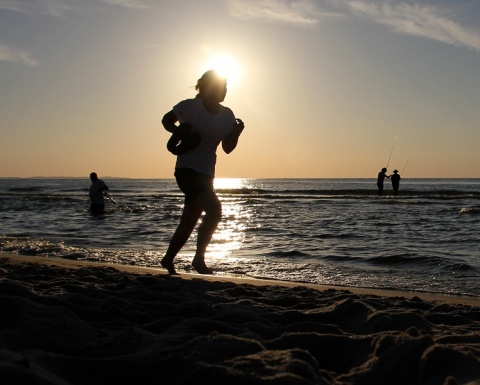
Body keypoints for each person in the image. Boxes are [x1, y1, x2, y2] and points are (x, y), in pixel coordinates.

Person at [160, 70, 245, 275]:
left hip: (207, 174)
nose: (224, 91)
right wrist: (182, 132)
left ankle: (168, 259)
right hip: (187, 171)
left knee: (189, 221)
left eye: (226, 87)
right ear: (207, 87)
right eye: (220, 87)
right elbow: (166, 120)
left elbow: (227, 148)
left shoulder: (227, 115)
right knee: (215, 211)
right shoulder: (189, 107)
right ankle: (199, 260)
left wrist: (236, 133)